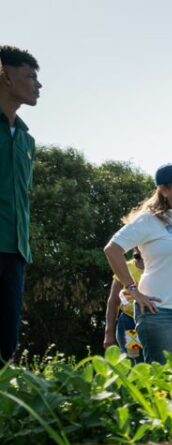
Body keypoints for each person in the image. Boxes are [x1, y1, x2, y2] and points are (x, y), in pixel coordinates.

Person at [103, 163, 172, 363]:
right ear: (163, 190)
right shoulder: (148, 220)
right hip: (162, 312)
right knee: (164, 382)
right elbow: (112, 250)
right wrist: (133, 289)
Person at [0, 46, 42, 365]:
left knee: (6, 344)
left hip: (15, 251)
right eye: (30, 76)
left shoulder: (27, 141)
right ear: (5, 75)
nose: (37, 85)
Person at [103, 248, 145, 360]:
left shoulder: (162, 266)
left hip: (157, 322)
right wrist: (109, 333)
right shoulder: (126, 268)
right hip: (131, 324)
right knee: (135, 360)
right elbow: (113, 301)